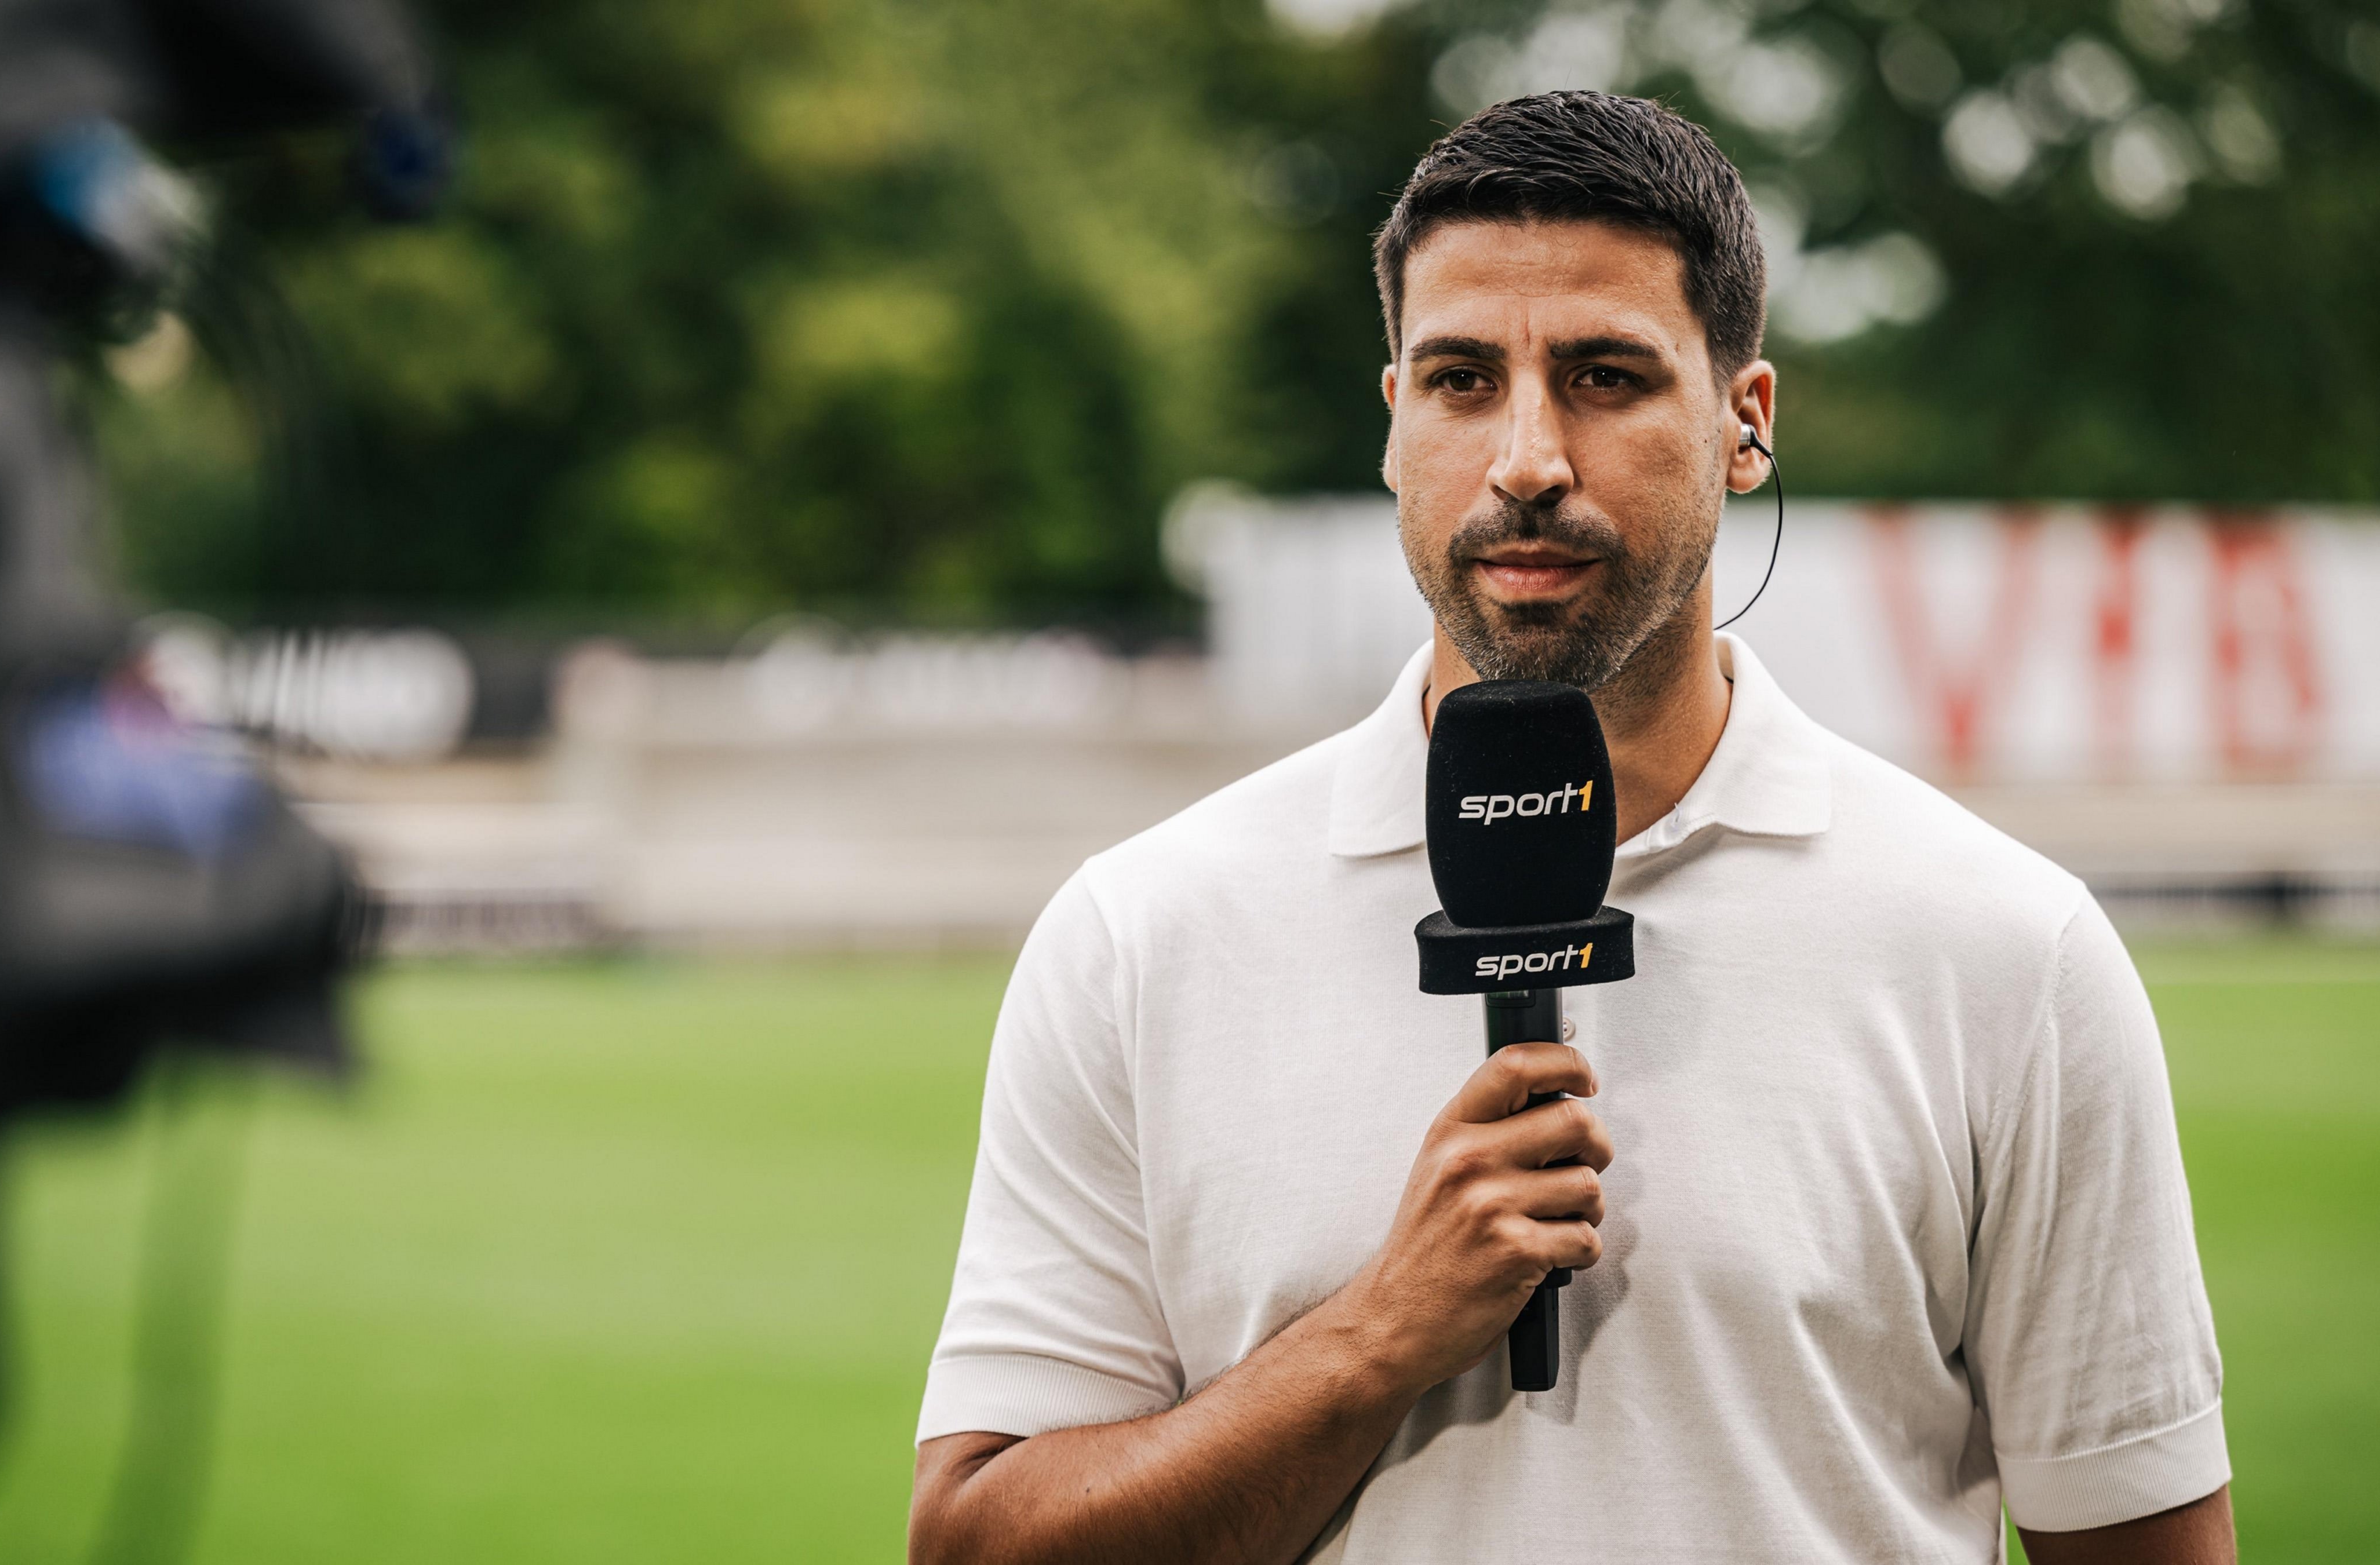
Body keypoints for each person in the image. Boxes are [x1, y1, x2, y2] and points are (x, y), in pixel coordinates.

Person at [906, 91, 2232, 1565]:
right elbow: (976, 1546)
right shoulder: (1140, 935)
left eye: (1605, 376)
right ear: (1395, 422)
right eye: (1463, 380)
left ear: (1745, 423)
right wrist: (1378, 1333)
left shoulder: (2005, 948)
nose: (1528, 457)